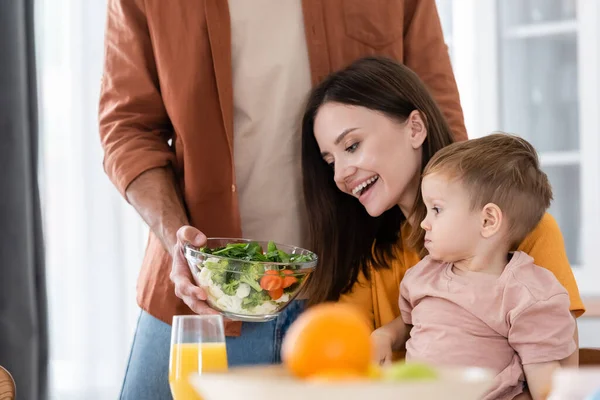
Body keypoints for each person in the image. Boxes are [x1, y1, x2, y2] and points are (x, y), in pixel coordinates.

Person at [98, 1, 466, 398]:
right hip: (207, 296)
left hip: (359, 294)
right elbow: (128, 129)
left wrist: (456, 243)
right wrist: (178, 241)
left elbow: (437, 115)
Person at [301, 56, 585, 367]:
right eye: (330, 161)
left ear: (415, 128)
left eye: (352, 145)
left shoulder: (525, 229)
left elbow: (559, 369)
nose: (340, 174)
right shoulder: (372, 257)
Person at [370, 133, 576, 400]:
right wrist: (386, 335)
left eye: (437, 209)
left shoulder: (526, 295)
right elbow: (413, 323)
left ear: (488, 221)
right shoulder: (424, 274)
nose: (424, 223)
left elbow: (546, 387)